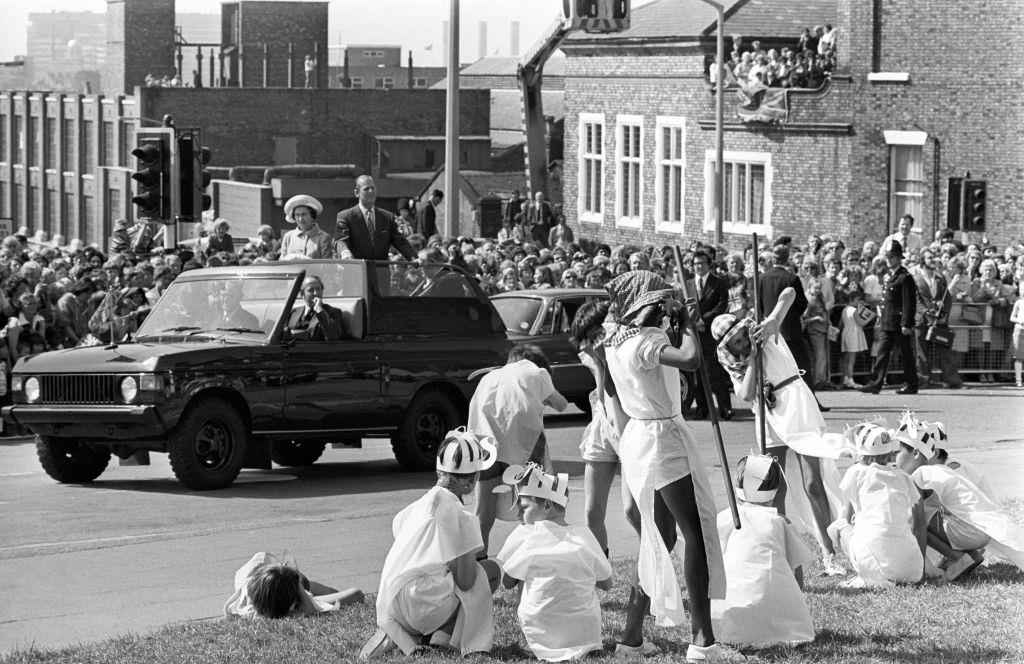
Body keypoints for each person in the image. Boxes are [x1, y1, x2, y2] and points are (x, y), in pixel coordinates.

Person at [600, 271, 740, 664]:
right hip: (663, 439)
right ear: (648, 305)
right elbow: (692, 360)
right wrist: (692, 325)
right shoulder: (647, 340)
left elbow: (615, 386)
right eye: (663, 301)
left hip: (640, 438)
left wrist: (676, 322)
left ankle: (630, 636)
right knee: (694, 532)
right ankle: (703, 641)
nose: (668, 307)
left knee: (657, 535)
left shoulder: (614, 338)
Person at [718, 312, 846, 576]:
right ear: (728, 349)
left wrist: (775, 317)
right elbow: (744, 394)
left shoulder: (767, 332)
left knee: (813, 482)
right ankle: (780, 554)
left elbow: (788, 292)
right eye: (737, 344)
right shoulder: (738, 365)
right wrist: (752, 358)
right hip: (767, 416)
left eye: (744, 337)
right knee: (771, 488)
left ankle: (829, 553)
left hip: (796, 407)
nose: (743, 343)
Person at [361, 429, 501, 659]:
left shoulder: (413, 508)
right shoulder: (463, 517)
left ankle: (410, 634)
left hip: (394, 604)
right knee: (486, 572)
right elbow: (466, 583)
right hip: (423, 606)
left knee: (442, 575)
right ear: (470, 483)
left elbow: (404, 537)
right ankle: (441, 638)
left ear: (438, 471)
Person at [495, 463, 613, 661]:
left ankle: (534, 638)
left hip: (540, 639)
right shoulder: (584, 535)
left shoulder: (530, 537)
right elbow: (607, 584)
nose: (518, 516)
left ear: (547, 506)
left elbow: (507, 584)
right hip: (587, 637)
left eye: (523, 508)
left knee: (524, 575)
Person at [894, 412, 1024, 580]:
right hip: (980, 530)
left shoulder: (919, 475)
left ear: (917, 453)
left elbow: (918, 526)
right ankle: (962, 557)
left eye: (897, 452)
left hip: (970, 531)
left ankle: (958, 558)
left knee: (911, 516)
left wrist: (919, 570)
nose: (893, 458)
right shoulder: (939, 469)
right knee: (926, 513)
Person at [468, 344, 569, 552]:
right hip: (524, 443)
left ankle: (478, 565)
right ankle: (534, 557)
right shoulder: (538, 372)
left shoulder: (489, 377)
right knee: (535, 505)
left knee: (482, 512)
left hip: (485, 446)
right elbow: (562, 404)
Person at [710, 454, 815, 647]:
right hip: (776, 619)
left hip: (727, 619)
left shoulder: (726, 518)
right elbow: (797, 573)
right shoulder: (779, 522)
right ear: (777, 489)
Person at [569, 300, 641, 555]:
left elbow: (609, 397)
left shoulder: (623, 351)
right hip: (603, 425)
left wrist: (598, 363)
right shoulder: (596, 356)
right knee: (591, 511)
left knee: (633, 511)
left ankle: (653, 560)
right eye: (586, 339)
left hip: (626, 427)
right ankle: (601, 573)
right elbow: (602, 403)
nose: (590, 344)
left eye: (595, 336)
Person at [828, 421, 926, 588]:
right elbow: (919, 524)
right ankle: (879, 571)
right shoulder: (904, 477)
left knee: (835, 528)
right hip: (912, 569)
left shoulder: (856, 472)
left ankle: (866, 574)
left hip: (875, 560)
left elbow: (845, 517)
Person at [758, 244, 829, 411]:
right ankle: (811, 402)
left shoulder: (762, 278)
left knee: (776, 368)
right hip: (791, 331)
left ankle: (778, 402)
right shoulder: (791, 278)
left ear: (773, 259)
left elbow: (759, 305)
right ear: (787, 258)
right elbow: (802, 305)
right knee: (803, 366)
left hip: (769, 330)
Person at [224, 551, 363, 619]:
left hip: (258, 576)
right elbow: (357, 594)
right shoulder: (299, 603)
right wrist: (300, 587)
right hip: (274, 582)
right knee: (328, 593)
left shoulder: (248, 604)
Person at [859, 242, 918, 394]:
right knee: (881, 354)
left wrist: (907, 323)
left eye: (892, 257)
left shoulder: (905, 277)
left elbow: (908, 303)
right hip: (887, 322)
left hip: (899, 323)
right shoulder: (890, 276)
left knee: (906, 355)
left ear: (899, 258)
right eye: (888, 257)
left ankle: (912, 384)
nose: (889, 260)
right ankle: (876, 383)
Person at [688, 249, 733, 420]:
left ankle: (725, 408)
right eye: (696, 264)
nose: (698, 266)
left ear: (708, 265)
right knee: (698, 374)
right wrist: (693, 321)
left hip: (711, 333)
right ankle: (702, 408)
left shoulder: (718, 282)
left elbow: (721, 305)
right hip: (695, 334)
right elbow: (685, 305)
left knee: (717, 372)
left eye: (702, 263)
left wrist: (703, 320)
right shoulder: (689, 283)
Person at [335, 175, 417, 261]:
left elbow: (400, 242)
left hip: (381, 272)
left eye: (373, 188)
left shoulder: (387, 217)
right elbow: (340, 241)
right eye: (366, 189)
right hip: (357, 271)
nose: (371, 191)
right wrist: (344, 252)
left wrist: (415, 258)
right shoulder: (346, 216)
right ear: (356, 193)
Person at [913, 250, 961, 388]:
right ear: (922, 260)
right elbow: (915, 300)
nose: (933, 259)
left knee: (946, 350)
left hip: (940, 320)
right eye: (929, 258)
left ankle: (952, 381)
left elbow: (947, 299)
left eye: (934, 257)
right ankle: (923, 380)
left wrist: (944, 314)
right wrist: (926, 312)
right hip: (922, 320)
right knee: (921, 353)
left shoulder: (940, 278)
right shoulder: (915, 279)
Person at [287, 276, 344, 341]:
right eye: (310, 290)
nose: (316, 293)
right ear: (302, 294)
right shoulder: (294, 312)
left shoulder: (333, 312)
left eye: (318, 289)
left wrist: (319, 310)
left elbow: (333, 336)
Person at [278, 195, 333, 259]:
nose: (300, 218)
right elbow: (282, 261)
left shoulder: (324, 237)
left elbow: (327, 264)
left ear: (312, 215)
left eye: (304, 214)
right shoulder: (288, 236)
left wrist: (302, 259)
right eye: (297, 215)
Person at [838, 287, 868, 388]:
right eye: (858, 299)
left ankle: (846, 378)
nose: (860, 301)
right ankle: (850, 379)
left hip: (847, 332)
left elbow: (841, 323)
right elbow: (862, 322)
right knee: (851, 359)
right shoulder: (854, 310)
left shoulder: (845, 309)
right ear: (851, 299)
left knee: (847, 357)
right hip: (853, 333)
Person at [1011, 279, 1024, 387]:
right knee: (1018, 356)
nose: (1023, 291)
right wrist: (1019, 320)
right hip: (1019, 330)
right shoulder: (1018, 302)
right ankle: (1018, 380)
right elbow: (1012, 317)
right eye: (1021, 289)